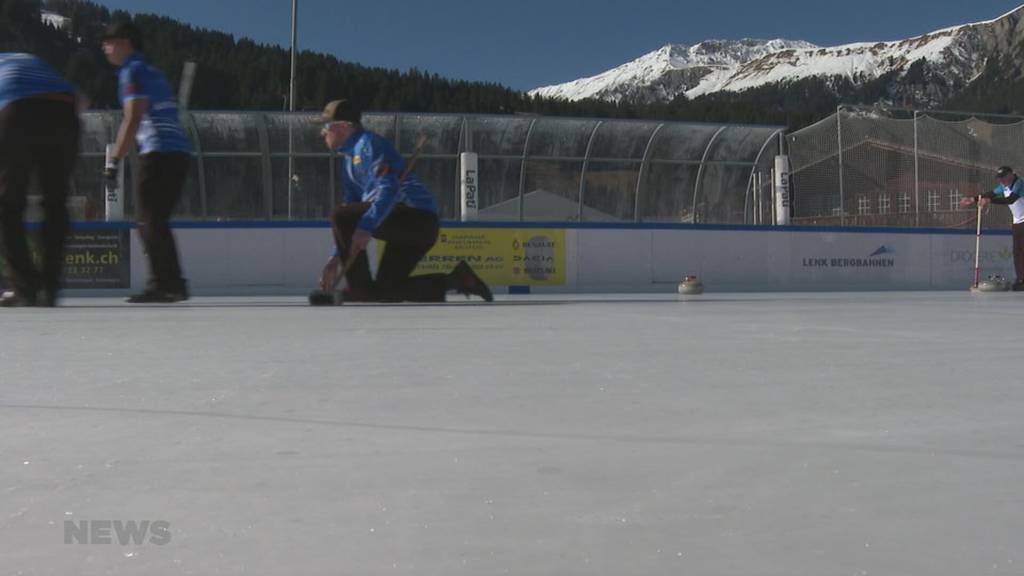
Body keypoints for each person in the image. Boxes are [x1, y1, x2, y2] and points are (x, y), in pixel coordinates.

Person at [317, 99, 492, 302]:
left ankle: (360, 287)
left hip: (417, 219)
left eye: (326, 126)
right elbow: (351, 212)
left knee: (341, 215)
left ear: (344, 126)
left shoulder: (369, 145)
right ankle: (459, 280)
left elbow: (388, 190)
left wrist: (365, 227)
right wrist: (335, 258)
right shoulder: (348, 160)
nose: (322, 133)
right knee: (384, 291)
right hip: (406, 224)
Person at [102, 21, 193, 303]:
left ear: (126, 42)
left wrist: (114, 159)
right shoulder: (152, 71)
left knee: (149, 219)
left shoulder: (132, 71)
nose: (104, 47)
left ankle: (166, 285)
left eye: (109, 41)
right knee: (154, 220)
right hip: (177, 152)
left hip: (158, 152)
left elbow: (133, 116)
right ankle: (170, 283)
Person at [0, 53, 81, 307]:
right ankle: (50, 286)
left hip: (19, 110)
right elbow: (83, 100)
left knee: (8, 205)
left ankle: (25, 285)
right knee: (56, 201)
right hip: (66, 112)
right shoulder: (29, 60)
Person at [961, 166, 1024, 291]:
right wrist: (973, 199)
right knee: (1017, 252)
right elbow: (991, 193)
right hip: (1017, 222)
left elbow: (1011, 199)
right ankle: (1021, 279)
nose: (1002, 181)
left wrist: (990, 201)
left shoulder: (1019, 183)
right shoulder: (1004, 186)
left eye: (1004, 177)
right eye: (1000, 178)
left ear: (1011, 174)